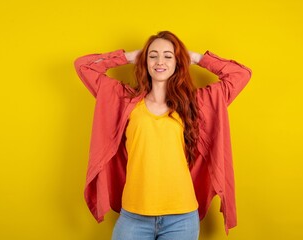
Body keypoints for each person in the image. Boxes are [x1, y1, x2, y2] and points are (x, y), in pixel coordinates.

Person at [74, 31, 252, 240]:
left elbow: (241, 74)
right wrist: (129, 56)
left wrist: (195, 57)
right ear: (145, 60)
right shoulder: (124, 100)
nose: (160, 61)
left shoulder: (196, 103)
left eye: (168, 56)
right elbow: (83, 66)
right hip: (134, 216)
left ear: (178, 62)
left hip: (181, 218)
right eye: (153, 55)